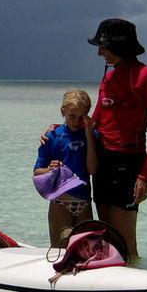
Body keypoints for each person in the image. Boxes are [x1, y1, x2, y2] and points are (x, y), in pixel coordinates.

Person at [86, 18, 147, 260]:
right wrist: (59, 129)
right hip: (103, 161)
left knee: (125, 240)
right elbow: (95, 120)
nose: (99, 52)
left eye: (104, 46)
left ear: (120, 46)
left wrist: (146, 175)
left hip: (129, 162)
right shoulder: (108, 77)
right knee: (107, 235)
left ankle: (136, 277)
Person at [34, 89, 99, 246]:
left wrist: (90, 136)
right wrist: (50, 169)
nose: (76, 121)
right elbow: (37, 172)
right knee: (59, 250)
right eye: (72, 116)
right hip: (60, 203)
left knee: (85, 251)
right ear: (63, 111)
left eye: (81, 117)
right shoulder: (53, 136)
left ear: (87, 114)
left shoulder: (91, 135)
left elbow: (92, 170)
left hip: (84, 203)